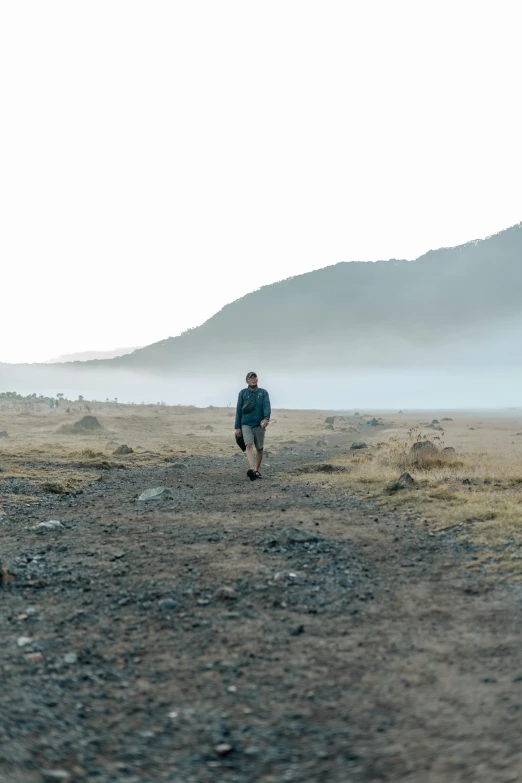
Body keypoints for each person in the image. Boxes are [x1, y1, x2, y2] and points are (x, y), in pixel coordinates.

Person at [235, 372, 271, 481]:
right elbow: (238, 410)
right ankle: (251, 469)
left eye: (254, 378)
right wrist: (237, 427)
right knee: (249, 446)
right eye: (250, 378)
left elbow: (266, 406)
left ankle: (256, 470)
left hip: (259, 424)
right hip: (245, 423)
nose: (253, 380)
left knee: (259, 448)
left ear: (257, 379)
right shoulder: (242, 393)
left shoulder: (263, 393)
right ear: (246, 381)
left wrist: (266, 419)